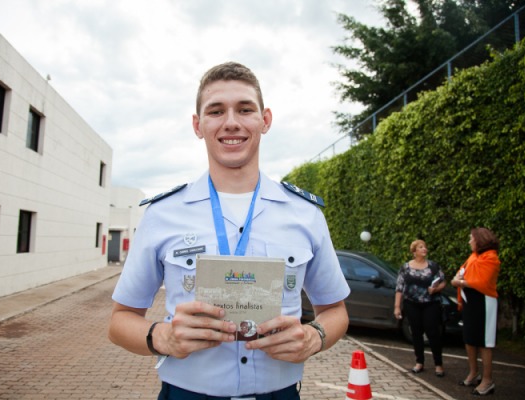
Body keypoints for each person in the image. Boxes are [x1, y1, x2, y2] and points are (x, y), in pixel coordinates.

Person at [108, 61, 350, 400]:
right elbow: (120, 321)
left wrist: (314, 337)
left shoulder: (305, 214)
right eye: (216, 111)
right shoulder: (162, 214)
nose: (231, 122)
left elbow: (335, 310)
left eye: (245, 109)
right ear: (198, 125)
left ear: (265, 120)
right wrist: (163, 337)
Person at [451, 227, 500, 396]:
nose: (469, 241)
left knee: (484, 342)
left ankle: (488, 380)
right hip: (469, 302)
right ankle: (473, 373)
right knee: (469, 338)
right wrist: (458, 280)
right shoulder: (473, 257)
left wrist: (461, 282)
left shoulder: (490, 258)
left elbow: (482, 282)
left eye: (471, 238)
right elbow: (461, 274)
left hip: (484, 302)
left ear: (480, 240)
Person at [394, 239, 447, 377]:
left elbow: (443, 283)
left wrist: (435, 290)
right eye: (421, 247)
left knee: (432, 332)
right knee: (416, 333)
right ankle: (419, 362)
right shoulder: (405, 267)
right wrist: (397, 307)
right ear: (414, 251)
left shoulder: (433, 266)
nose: (424, 249)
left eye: (425, 247)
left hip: (430, 303)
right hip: (411, 304)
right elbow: (399, 288)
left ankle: (438, 364)